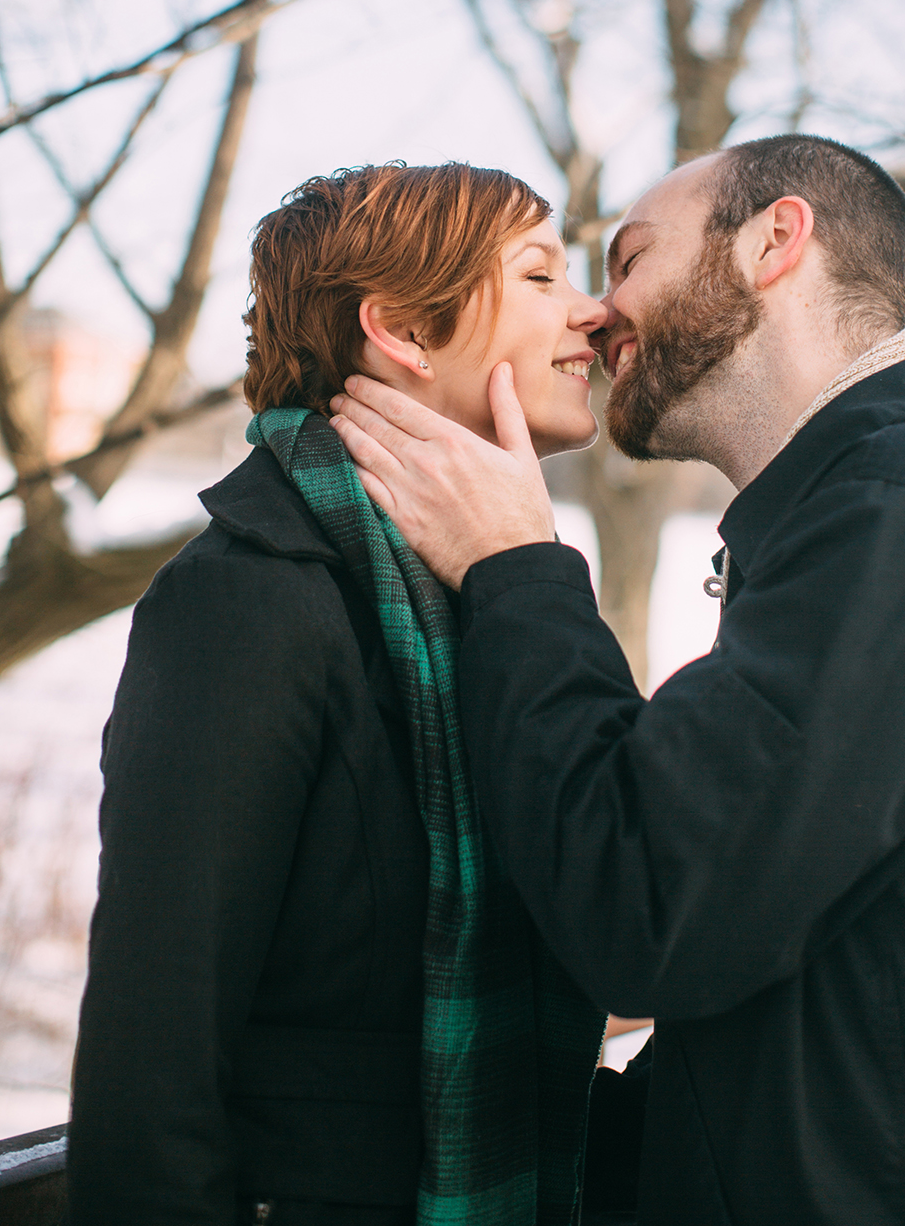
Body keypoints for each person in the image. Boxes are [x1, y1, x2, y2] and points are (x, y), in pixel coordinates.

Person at [329, 134, 905, 1226]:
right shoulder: (871, 512)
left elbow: (643, 909)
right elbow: (782, 992)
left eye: (627, 259)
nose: (596, 310)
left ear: (775, 240)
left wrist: (514, 566)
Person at [66, 161, 611, 1226]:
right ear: (403, 329)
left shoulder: (496, 589)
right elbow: (154, 1042)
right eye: (541, 274)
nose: (590, 312)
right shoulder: (247, 595)